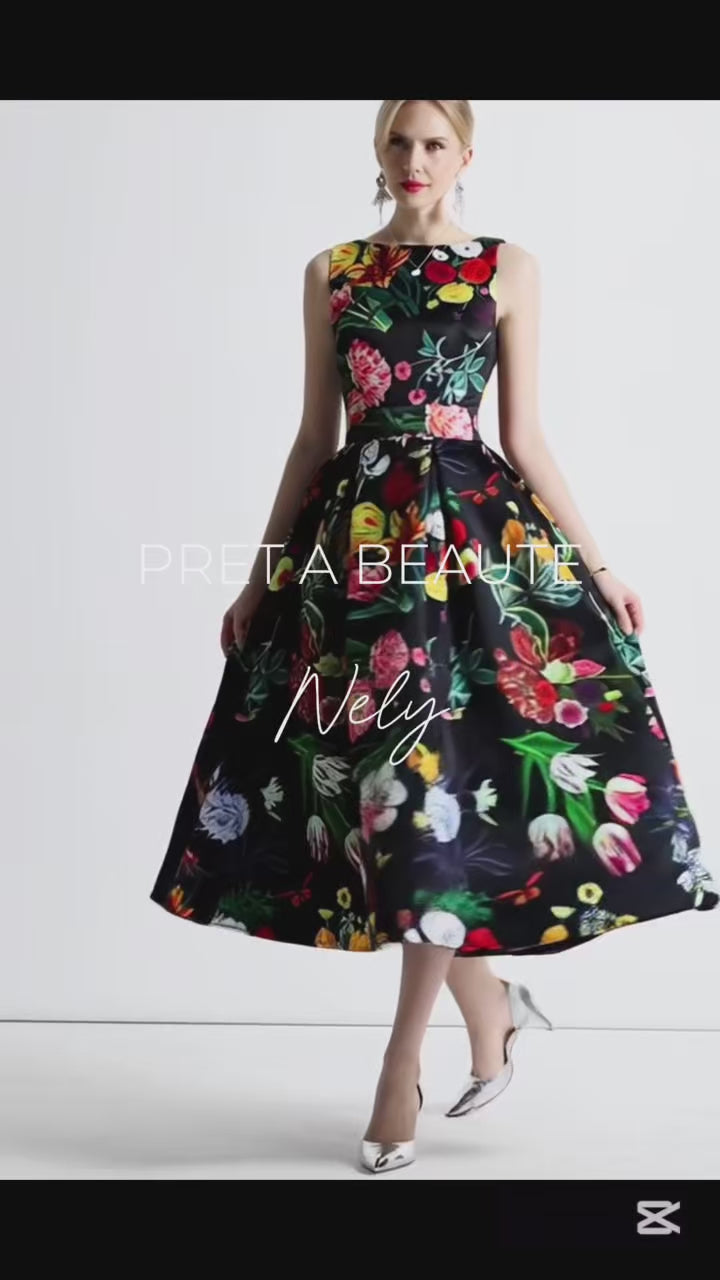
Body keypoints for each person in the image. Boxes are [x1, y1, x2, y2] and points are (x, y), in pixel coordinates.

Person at [150, 99, 718, 1174]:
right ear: (379, 149)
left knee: (430, 797)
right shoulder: (334, 271)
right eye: (399, 141)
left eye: (435, 144)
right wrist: (262, 575)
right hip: (358, 557)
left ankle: (399, 1065)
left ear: (466, 155)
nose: (415, 159)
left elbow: (527, 436)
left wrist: (599, 567)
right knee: (386, 804)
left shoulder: (508, 267)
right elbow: (313, 437)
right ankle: (490, 1003)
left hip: (472, 553)